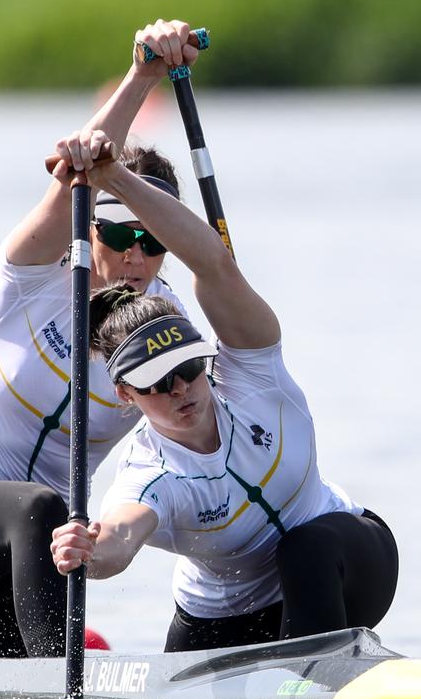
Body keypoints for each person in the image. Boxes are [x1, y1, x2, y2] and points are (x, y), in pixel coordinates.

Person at [0, 20, 203, 658]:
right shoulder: (31, 274)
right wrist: (143, 73)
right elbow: (77, 171)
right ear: (90, 230)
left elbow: (200, 439)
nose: (137, 257)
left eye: (155, 241)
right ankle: (60, 690)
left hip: (31, 551)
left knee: (5, 666)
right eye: (118, 236)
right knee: (42, 508)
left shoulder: (163, 325)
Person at [49, 134, 400, 653]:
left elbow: (214, 266)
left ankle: (311, 680)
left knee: (304, 549)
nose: (181, 390)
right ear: (125, 395)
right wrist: (88, 551)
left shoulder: (255, 375)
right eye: (157, 383)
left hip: (345, 565)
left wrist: (113, 179)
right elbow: (120, 538)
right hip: (220, 617)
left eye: (188, 369)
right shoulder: (152, 475)